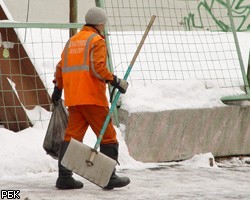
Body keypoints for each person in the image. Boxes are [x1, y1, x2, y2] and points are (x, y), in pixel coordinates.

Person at [52, 7, 130, 190]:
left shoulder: (72, 41)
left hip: (74, 99)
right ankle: (109, 177)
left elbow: (61, 66)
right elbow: (97, 68)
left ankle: (64, 177)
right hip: (93, 98)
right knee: (109, 136)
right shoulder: (97, 40)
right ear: (100, 23)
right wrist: (115, 80)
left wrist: (58, 88)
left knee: (72, 137)